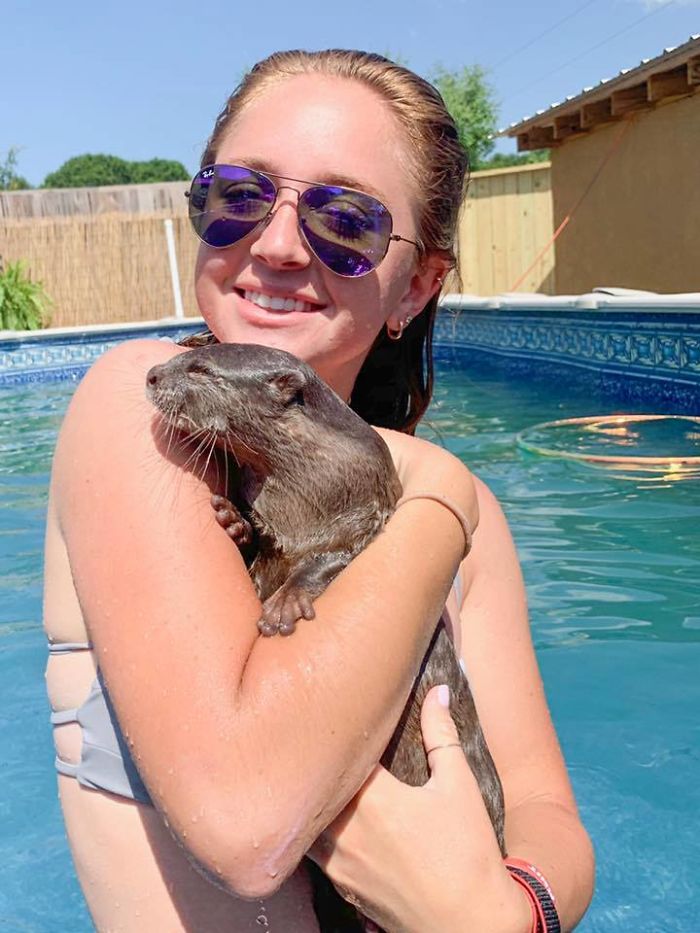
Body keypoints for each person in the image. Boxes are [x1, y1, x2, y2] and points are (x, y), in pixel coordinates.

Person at [44, 49, 594, 932]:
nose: (276, 243)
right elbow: (248, 818)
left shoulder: (476, 523)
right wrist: (439, 492)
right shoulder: (142, 404)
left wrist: (502, 912)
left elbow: (546, 813)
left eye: (345, 219)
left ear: (418, 284)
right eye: (239, 195)